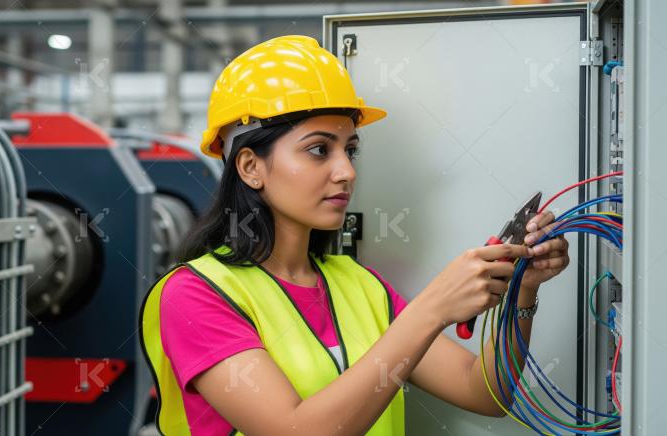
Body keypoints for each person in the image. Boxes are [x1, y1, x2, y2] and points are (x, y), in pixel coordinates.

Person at [139, 35, 569, 435]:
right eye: (319, 149)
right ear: (251, 167)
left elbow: (484, 392)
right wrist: (433, 308)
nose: (346, 171)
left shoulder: (359, 286)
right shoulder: (195, 296)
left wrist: (522, 293)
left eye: (350, 150)